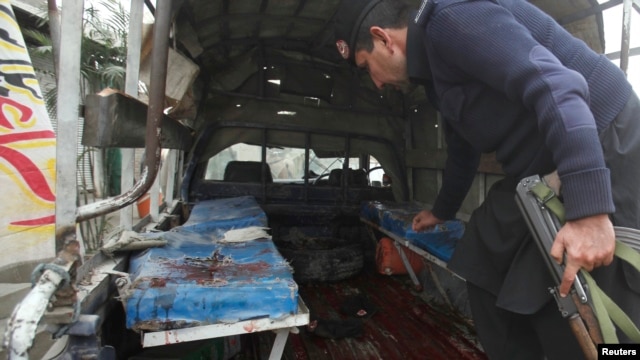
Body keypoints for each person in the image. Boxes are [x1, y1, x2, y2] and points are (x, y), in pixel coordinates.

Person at [333, 0, 640, 358]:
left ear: (383, 39)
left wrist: (589, 212)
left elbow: (557, 85)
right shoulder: (434, 75)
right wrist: (442, 210)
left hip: (602, 142)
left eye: (367, 67)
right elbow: (463, 146)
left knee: (583, 288)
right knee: (481, 254)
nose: (377, 83)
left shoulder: (452, 19)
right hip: (540, 169)